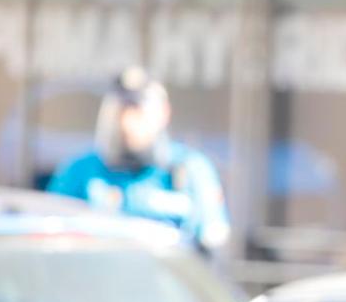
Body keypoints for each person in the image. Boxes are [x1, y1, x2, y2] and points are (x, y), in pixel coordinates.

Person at [47, 66, 230, 259]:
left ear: (164, 113)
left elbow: (212, 236)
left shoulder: (191, 169)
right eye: (121, 111)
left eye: (138, 111)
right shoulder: (82, 171)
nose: (128, 123)